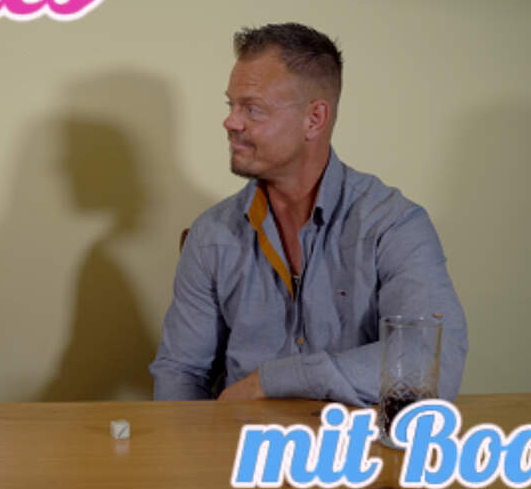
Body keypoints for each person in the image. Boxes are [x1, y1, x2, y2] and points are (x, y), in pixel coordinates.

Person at [149, 23, 468, 406]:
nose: (231, 122)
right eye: (230, 105)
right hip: (235, 441)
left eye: (252, 108)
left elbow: (432, 362)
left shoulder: (394, 225)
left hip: (356, 443)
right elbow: (181, 372)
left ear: (314, 119)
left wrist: (270, 381)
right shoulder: (210, 235)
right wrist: (190, 443)